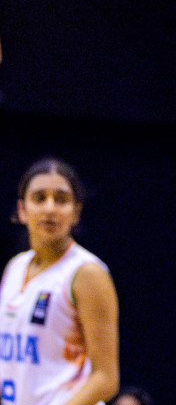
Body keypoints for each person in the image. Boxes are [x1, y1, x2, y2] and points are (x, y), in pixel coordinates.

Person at [0, 159, 119, 405]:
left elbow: (106, 378)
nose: (50, 208)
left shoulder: (87, 273)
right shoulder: (15, 268)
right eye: (40, 198)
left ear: (76, 211)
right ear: (22, 210)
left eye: (61, 199)